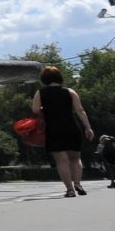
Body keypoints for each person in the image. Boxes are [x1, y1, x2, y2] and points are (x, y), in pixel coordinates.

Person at [32, 65, 94, 198]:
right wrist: (88, 127)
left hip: (53, 128)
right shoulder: (70, 92)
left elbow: (35, 110)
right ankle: (77, 183)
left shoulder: (40, 93)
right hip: (71, 127)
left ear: (44, 79)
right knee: (75, 158)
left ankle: (70, 190)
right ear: (59, 77)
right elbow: (80, 110)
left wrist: (47, 108)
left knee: (61, 161)